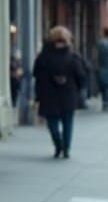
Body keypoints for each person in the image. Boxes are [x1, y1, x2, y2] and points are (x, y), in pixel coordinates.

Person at [33, 26, 91, 159]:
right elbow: (81, 75)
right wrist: (78, 88)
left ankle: (58, 143)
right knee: (68, 122)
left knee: (52, 122)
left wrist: (39, 92)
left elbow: (36, 75)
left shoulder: (44, 57)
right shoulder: (73, 57)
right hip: (68, 95)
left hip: (49, 95)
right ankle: (66, 148)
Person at [9, 25, 29, 127]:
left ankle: (14, 115)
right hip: (9, 74)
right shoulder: (8, 47)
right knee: (13, 93)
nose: (13, 37)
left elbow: (18, 61)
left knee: (15, 93)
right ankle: (12, 115)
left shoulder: (15, 47)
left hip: (15, 75)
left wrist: (19, 70)